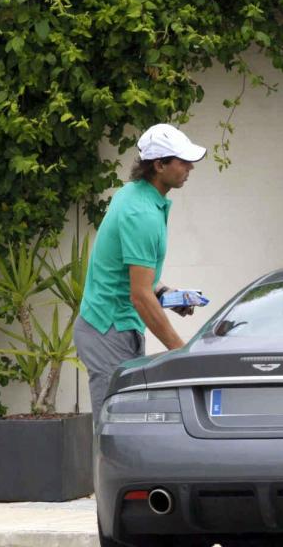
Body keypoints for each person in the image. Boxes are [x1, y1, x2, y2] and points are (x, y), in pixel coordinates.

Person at [74, 123, 205, 421]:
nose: (190, 168)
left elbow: (136, 277)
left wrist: (165, 293)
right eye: (183, 161)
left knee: (130, 425)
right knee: (115, 429)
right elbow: (140, 296)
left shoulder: (136, 195)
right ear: (159, 165)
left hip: (118, 327)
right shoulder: (142, 213)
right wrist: (181, 352)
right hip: (107, 330)